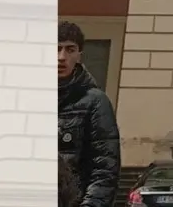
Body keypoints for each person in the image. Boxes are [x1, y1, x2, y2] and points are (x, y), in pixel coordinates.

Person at [57, 21, 120, 207]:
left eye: (70, 50)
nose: (61, 57)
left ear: (79, 55)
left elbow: (104, 169)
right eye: (56, 48)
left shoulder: (95, 102)